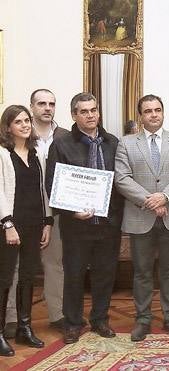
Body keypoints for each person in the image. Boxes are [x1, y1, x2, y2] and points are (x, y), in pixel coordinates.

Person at [114, 94, 169, 342]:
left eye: (157, 110)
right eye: (148, 111)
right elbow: (122, 178)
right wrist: (150, 200)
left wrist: (165, 196)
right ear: (141, 115)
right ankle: (143, 319)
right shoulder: (126, 143)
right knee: (142, 272)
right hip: (141, 216)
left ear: (163, 112)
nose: (153, 114)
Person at [45, 93, 124, 344]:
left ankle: (100, 319)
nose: (90, 115)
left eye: (94, 110)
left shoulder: (113, 142)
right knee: (75, 274)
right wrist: (71, 211)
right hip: (76, 224)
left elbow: (121, 181)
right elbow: (52, 184)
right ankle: (73, 322)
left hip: (108, 223)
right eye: (84, 111)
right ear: (74, 115)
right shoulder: (61, 144)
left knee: (105, 274)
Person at [0, 105, 53, 356]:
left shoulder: (36, 152)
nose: (24, 125)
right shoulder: (1, 154)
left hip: (34, 223)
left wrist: (48, 222)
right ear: (7, 126)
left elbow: (43, 190)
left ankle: (24, 328)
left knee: (29, 275)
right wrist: (7, 224)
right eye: (18, 121)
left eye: (26, 121)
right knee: (4, 278)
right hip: (9, 226)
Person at [31, 89, 67, 331]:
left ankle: (58, 315)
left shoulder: (65, 136)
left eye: (51, 103)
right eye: (41, 103)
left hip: (55, 209)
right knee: (15, 266)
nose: (47, 108)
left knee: (55, 263)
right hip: (23, 207)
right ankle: (12, 318)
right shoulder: (19, 133)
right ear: (31, 106)